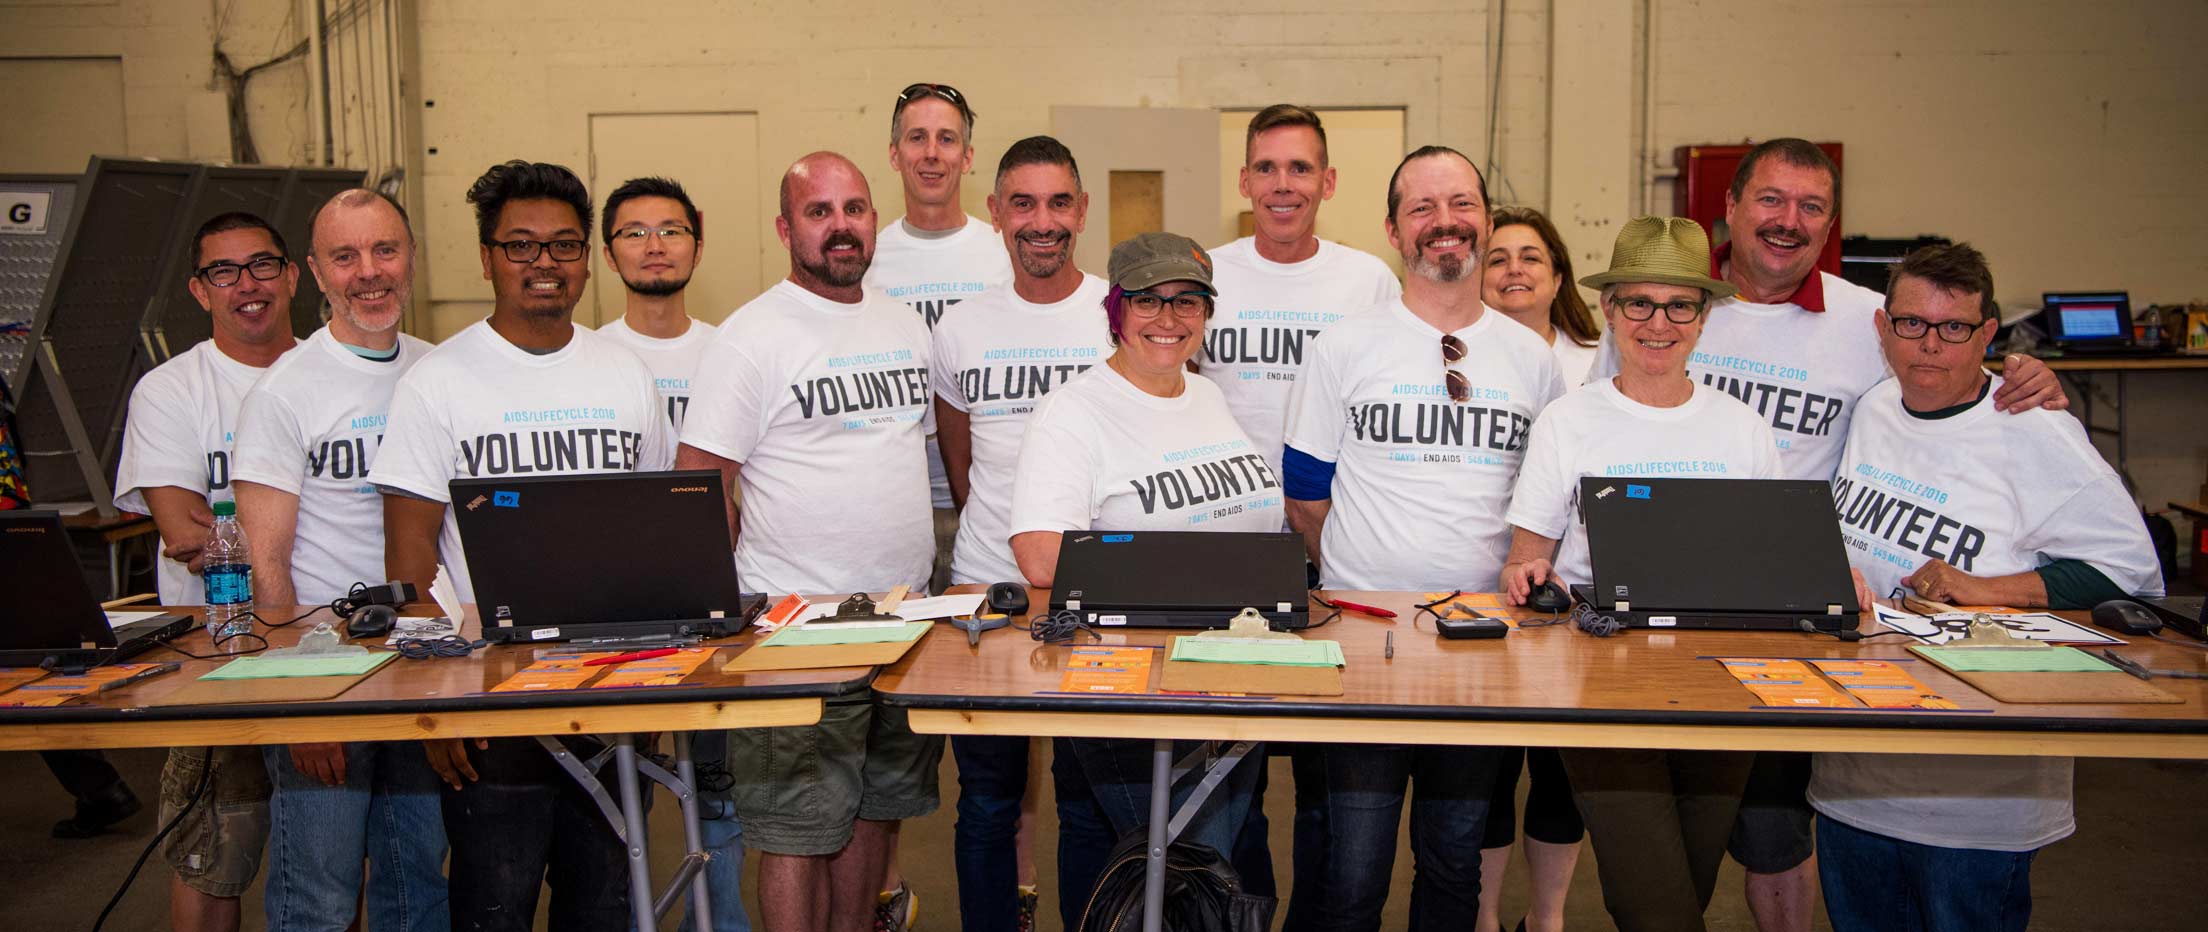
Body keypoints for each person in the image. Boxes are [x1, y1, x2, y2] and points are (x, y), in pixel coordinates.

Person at [1586, 139, 2066, 932]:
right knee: (1666, 831)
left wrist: (2028, 378)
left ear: (1830, 223)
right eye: (1771, 200)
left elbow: (1939, 386)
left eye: (1811, 207)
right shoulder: (1667, 305)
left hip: (1793, 616)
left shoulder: (1862, 322)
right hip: (1660, 608)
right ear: (1730, 210)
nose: (1788, 222)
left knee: (1777, 830)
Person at [1811, 243, 2163, 932]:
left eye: (1954, 328)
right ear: (1883, 329)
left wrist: (1986, 586)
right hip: (1854, 772)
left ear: (1988, 334)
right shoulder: (1876, 407)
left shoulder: (2033, 428)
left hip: (1976, 797)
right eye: (1912, 324)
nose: (1930, 346)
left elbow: (2131, 573)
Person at [373, 160, 673, 932]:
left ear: (586, 258)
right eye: (521, 246)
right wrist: (436, 703)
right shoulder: (437, 382)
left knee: (605, 908)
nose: (545, 263)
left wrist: (664, 681)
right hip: (489, 698)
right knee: (492, 907)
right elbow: (409, 556)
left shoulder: (625, 374)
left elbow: (657, 538)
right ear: (486, 259)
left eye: (564, 246)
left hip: (615, 692)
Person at [1278, 145, 1561, 932]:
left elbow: (1544, 505)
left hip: (1482, 641)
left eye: (1462, 204)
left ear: (1486, 220)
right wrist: (1373, 574)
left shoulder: (1533, 360)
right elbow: (1306, 497)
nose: (1446, 223)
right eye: (1423, 208)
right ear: (1394, 230)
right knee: (1354, 869)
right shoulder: (1344, 347)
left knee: (1455, 859)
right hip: (1367, 642)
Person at [676, 151, 938, 932]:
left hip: (902, 624)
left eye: (854, 209)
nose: (842, 227)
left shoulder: (902, 322)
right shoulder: (750, 337)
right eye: (820, 213)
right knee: (794, 830)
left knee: (871, 811)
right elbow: (699, 488)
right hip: (795, 633)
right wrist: (727, 619)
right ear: (786, 228)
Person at [1501, 215, 1780, 932]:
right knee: (1651, 897)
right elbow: (1526, 557)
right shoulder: (1568, 421)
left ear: (1704, 315)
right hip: (1602, 678)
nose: (1659, 323)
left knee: (1686, 881)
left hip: (1723, 678)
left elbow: (1769, 563)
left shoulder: (1742, 426)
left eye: (1680, 304)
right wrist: (1530, 577)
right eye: (1638, 303)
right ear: (1610, 308)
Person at [1008, 231, 1284, 929]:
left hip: (1228, 671)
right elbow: (1041, 555)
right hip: (1129, 682)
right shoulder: (1075, 411)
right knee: (1183, 869)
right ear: (1115, 309)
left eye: (1187, 300)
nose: (1168, 318)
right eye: (1147, 300)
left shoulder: (1207, 396)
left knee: (1200, 860)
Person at [228, 188, 445, 932]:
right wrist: (300, 703)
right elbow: (267, 564)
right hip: (329, 673)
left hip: (422, 662)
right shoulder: (282, 393)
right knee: (317, 895)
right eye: (345, 257)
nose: (369, 272)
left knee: (418, 884)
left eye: (385, 250)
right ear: (314, 273)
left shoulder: (438, 371)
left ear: (411, 258)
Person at [1205, 103, 1401, 912]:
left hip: (1332, 549)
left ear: (1327, 181)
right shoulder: (1205, 272)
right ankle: (1245, 911)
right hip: (1226, 554)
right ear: (1244, 180)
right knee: (1229, 767)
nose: (1281, 185)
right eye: (1266, 168)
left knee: (1328, 770)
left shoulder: (1368, 282)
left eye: (1299, 168)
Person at [930, 135, 1110, 932]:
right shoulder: (960, 329)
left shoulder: (1118, 314)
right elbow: (960, 464)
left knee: (1085, 798)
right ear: (997, 212)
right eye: (1025, 204)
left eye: (1060, 202)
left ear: (1082, 210)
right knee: (988, 801)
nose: (1044, 222)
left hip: (1093, 594)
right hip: (986, 593)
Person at [114, 210, 298, 932]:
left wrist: (241, 537)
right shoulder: (171, 390)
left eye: (261, 265)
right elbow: (184, 531)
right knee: (210, 856)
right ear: (199, 289)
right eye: (224, 271)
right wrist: (297, 547)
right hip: (219, 656)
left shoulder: (329, 373)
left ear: (291, 275)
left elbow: (214, 527)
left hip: (340, 648)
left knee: (332, 859)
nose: (245, 285)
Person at [592, 175, 749, 932]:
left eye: (670, 229)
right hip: (618, 615)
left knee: (718, 790)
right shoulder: (590, 360)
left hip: (720, 608)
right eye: (634, 232)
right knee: (622, 805)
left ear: (698, 237)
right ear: (608, 250)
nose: (654, 246)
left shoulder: (735, 349)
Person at [866, 81, 1014, 633]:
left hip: (984, 503)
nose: (931, 152)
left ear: (967, 156)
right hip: (895, 505)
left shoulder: (1003, 252)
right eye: (917, 137)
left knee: (984, 678)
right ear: (894, 153)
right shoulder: (867, 258)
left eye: (947, 139)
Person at [1484, 205, 1601, 387]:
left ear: (1557, 281)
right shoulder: (1458, 360)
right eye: (1498, 260)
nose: (1514, 269)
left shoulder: (1598, 363)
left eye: (1530, 258)